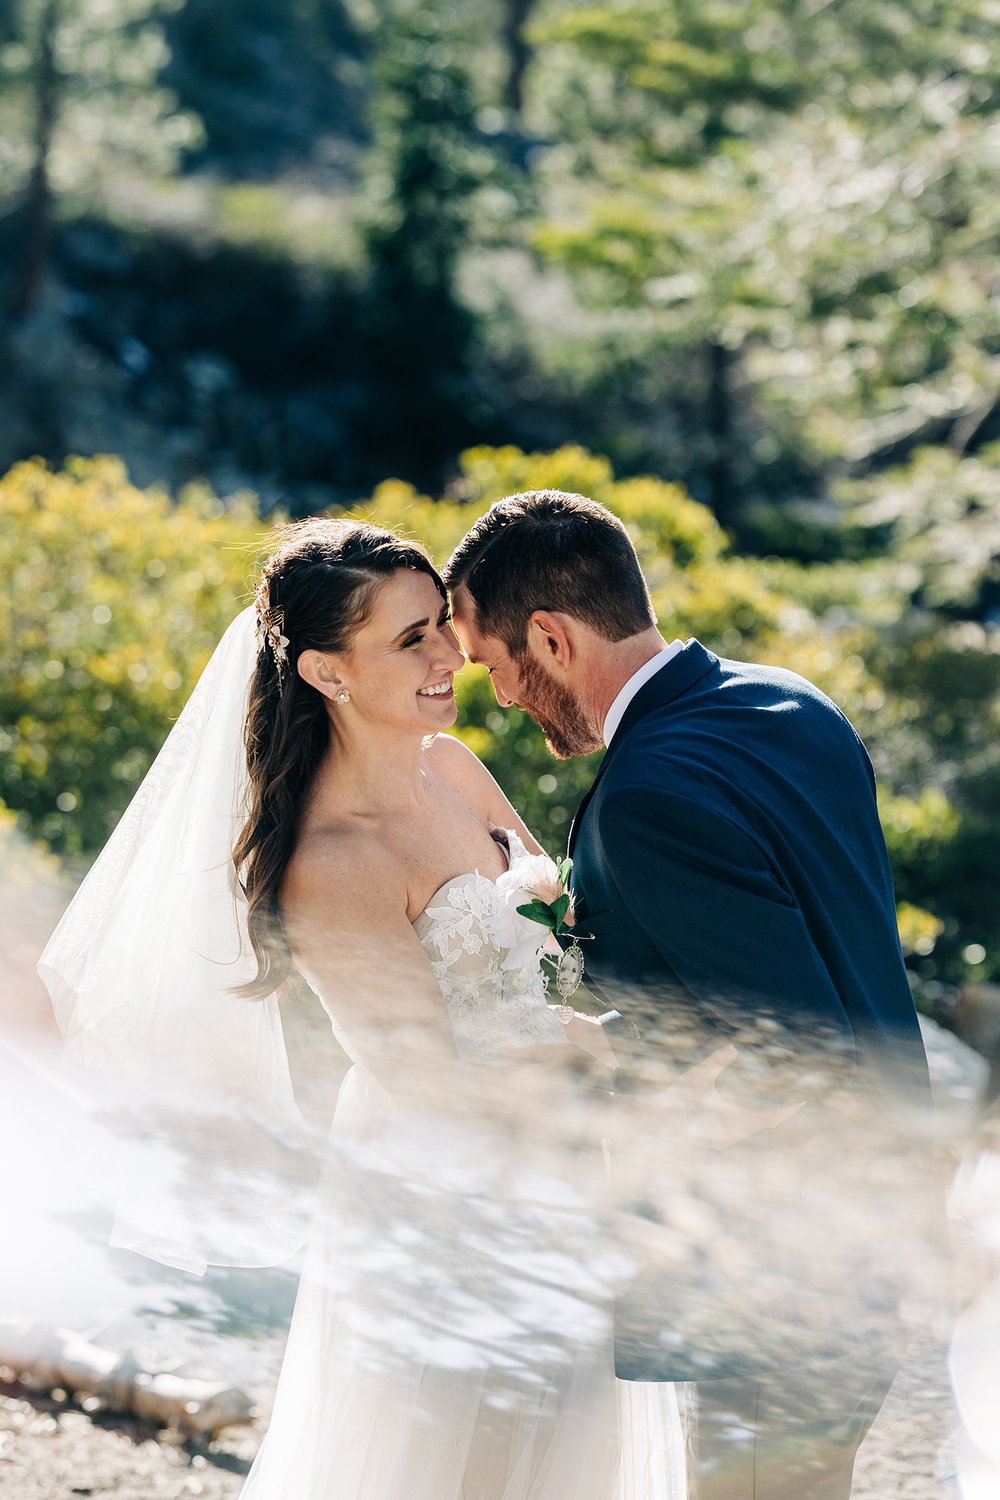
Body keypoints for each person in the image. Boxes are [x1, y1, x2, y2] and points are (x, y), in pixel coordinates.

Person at [39, 517, 685, 1500]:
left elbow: (554, 952)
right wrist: (602, 1066)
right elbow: (426, 1086)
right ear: (326, 674)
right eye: (409, 639)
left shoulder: (456, 767)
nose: (448, 655)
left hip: (568, 1164)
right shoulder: (332, 863)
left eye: (439, 625)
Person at [444, 488, 933, 1500]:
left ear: (549, 635)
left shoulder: (645, 796)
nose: (498, 696)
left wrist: (596, 1088)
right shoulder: (795, 705)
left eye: (493, 665)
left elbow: (789, 1054)